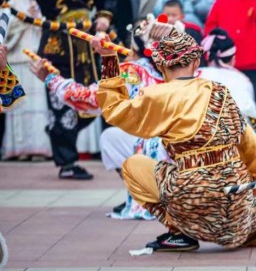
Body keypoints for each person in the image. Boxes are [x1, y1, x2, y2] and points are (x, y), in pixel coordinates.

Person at [93, 29, 256, 253]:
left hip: (191, 197)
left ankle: (179, 233)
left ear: (161, 65)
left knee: (132, 165)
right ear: (195, 62)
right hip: (236, 195)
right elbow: (248, 141)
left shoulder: (157, 95)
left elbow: (114, 110)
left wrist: (108, 59)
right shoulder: (220, 91)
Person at [0, 0, 116, 180]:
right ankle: (66, 162)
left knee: (93, 100)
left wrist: (103, 17)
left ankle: (62, 141)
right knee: (60, 102)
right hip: (56, 45)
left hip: (86, 47)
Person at [30, 15, 170, 218]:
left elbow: (88, 98)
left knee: (110, 138)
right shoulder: (184, 68)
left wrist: (50, 78)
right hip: (187, 150)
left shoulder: (130, 72)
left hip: (159, 150)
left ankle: (145, 195)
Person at [198, 28, 256, 170]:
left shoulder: (197, 75)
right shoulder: (241, 79)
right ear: (233, 58)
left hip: (200, 137)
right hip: (233, 137)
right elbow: (249, 113)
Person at [1, 0, 51, 161]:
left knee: (37, 107)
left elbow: (45, 27)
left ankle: (39, 148)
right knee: (18, 105)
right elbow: (4, 33)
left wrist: (37, 18)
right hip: (15, 59)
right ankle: (19, 148)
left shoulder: (38, 1)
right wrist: (25, 19)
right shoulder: (10, 4)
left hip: (34, 59)